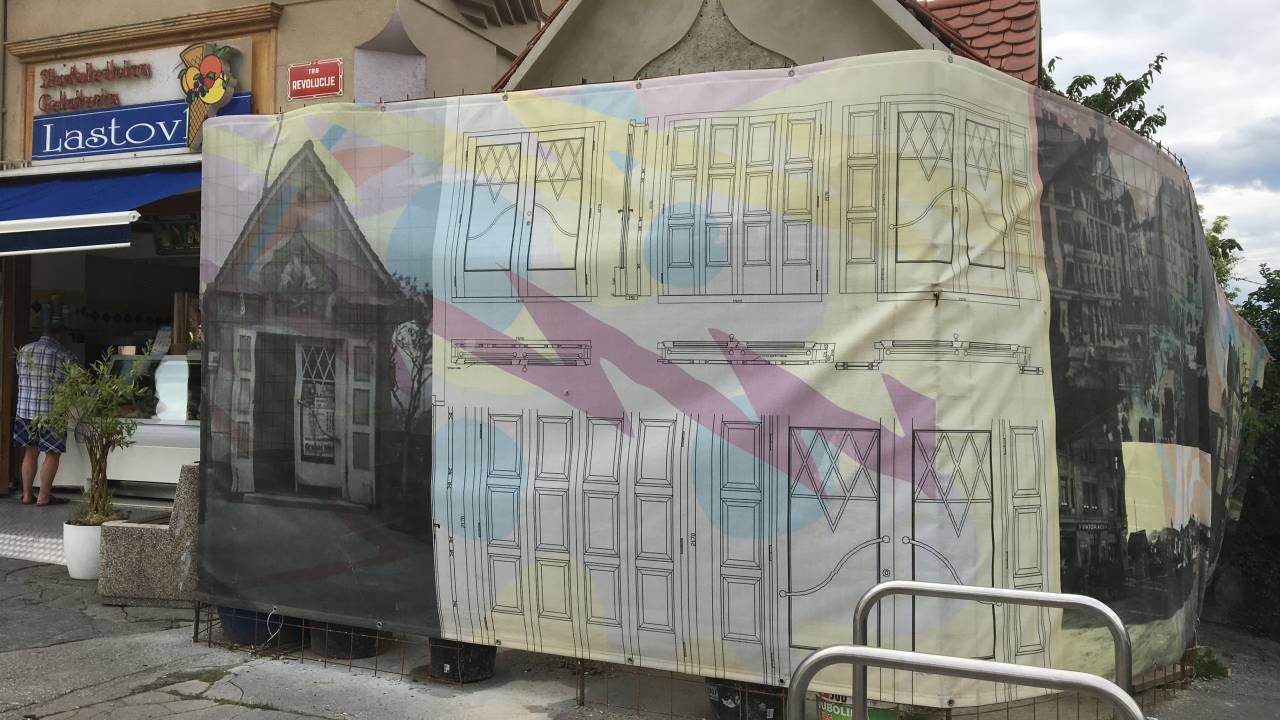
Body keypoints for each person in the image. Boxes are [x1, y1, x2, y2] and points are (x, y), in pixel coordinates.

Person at [11, 321, 77, 506]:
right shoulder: (64, 354)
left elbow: (19, 374)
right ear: (61, 336)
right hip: (52, 412)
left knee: (29, 452)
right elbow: (78, 381)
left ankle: (26, 495)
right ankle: (43, 496)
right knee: (52, 453)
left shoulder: (24, 350)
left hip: (25, 411)